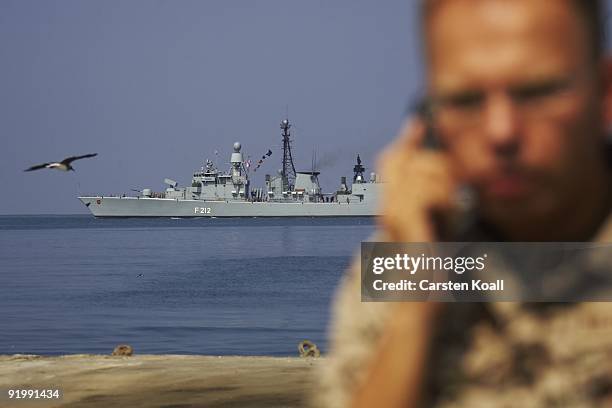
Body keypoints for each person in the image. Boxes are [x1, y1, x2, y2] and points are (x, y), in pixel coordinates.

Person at [315, 1, 612, 407]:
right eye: (466, 100)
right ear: (427, 123)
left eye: (537, 91)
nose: (501, 132)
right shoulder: (399, 265)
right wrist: (417, 305)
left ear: (605, 94)